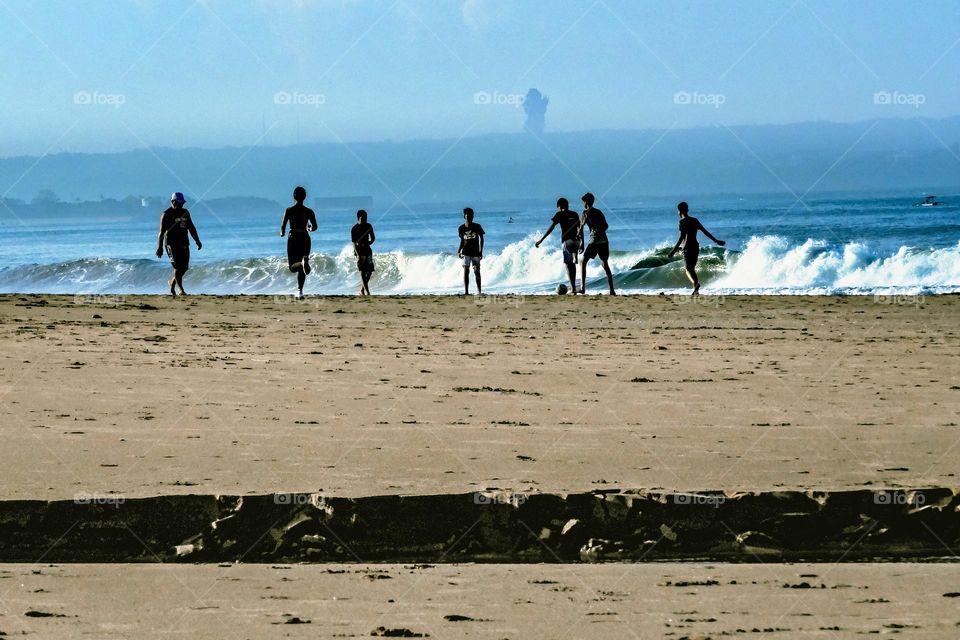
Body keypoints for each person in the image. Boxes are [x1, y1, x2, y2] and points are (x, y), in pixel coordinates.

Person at [667, 201, 725, 296]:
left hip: (687, 248)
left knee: (688, 269)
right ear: (687, 210)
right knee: (692, 268)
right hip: (695, 246)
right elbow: (705, 232)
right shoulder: (694, 220)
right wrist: (716, 240)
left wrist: (673, 251)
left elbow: (681, 237)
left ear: (679, 211)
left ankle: (696, 285)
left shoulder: (682, 222)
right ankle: (696, 289)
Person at [155, 191, 201, 296]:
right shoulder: (166, 214)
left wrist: (197, 241)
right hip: (171, 244)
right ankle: (181, 289)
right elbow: (161, 232)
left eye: (182, 203)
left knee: (184, 268)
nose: (181, 205)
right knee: (177, 267)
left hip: (184, 243)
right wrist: (160, 247)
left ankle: (172, 283)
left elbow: (191, 228)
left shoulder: (185, 212)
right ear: (173, 201)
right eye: (179, 203)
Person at [535, 197, 580, 294]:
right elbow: (579, 229)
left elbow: (551, 227)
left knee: (568, 265)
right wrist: (582, 243)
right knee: (573, 264)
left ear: (559, 206)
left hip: (566, 241)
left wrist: (541, 239)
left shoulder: (560, 214)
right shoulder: (575, 214)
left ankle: (573, 289)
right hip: (576, 241)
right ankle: (574, 288)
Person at [280, 186, 318, 299]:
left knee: (292, 267)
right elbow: (314, 227)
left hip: (294, 237)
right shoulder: (309, 211)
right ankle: (300, 291)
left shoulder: (289, 210)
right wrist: (309, 228)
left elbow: (283, 225)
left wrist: (282, 233)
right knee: (303, 265)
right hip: (305, 238)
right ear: (305, 197)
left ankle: (302, 263)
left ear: (294, 196)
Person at [578, 192, 615, 295]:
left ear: (586, 202)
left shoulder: (585, 213)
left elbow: (580, 229)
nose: (582, 204)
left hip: (594, 240)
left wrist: (581, 243)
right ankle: (612, 290)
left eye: (583, 202)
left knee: (583, 261)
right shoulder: (598, 212)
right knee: (604, 263)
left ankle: (582, 288)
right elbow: (606, 226)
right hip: (604, 240)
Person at [458, 208, 485, 295]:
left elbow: (482, 238)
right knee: (466, 270)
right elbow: (462, 240)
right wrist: (459, 250)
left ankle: (479, 291)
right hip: (466, 252)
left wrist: (481, 251)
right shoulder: (461, 228)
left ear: (473, 217)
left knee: (477, 270)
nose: (469, 218)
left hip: (475, 252)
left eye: (471, 216)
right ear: (464, 217)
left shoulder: (477, 226)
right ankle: (466, 292)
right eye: (467, 217)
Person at [351, 209, 376, 295]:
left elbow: (373, 238)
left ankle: (362, 289)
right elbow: (354, 243)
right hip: (359, 251)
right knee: (362, 271)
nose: (365, 219)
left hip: (368, 250)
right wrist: (358, 255)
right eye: (363, 218)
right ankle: (367, 291)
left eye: (366, 218)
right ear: (359, 218)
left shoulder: (368, 226)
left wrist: (369, 243)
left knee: (369, 271)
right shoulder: (354, 228)